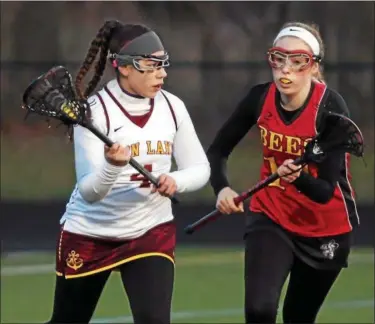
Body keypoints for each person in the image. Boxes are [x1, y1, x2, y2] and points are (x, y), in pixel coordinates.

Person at [47, 20, 210, 324]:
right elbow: (89, 191)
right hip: (90, 233)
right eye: (151, 64)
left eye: (164, 64)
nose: (161, 73)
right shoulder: (94, 111)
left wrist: (176, 180)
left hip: (150, 231)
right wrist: (112, 166)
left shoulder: (173, 107)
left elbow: (200, 168)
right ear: (122, 66)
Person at [207, 21, 359, 323]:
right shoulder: (260, 98)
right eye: (279, 58)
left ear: (313, 66)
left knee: (298, 317)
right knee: (259, 310)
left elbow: (326, 189)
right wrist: (222, 187)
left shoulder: (330, 107)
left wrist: (298, 178)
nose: (285, 69)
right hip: (272, 215)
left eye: (298, 61)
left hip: (326, 228)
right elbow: (218, 150)